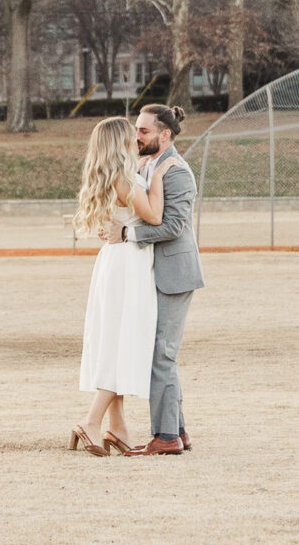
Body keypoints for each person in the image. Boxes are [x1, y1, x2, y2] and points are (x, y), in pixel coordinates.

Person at [106, 102, 201, 455]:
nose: (136, 136)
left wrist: (129, 235)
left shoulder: (176, 171)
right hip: (154, 273)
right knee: (159, 353)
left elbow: (174, 226)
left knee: (161, 354)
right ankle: (177, 431)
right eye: (135, 129)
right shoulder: (149, 164)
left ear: (165, 135)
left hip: (173, 274)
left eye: (143, 131)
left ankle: (166, 437)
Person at [68, 116, 162, 456]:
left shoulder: (112, 177)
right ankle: (91, 422)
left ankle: (117, 427)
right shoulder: (125, 181)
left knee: (114, 341)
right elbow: (154, 216)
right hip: (127, 264)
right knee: (125, 342)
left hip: (114, 260)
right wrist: (160, 177)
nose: (136, 140)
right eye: (130, 137)